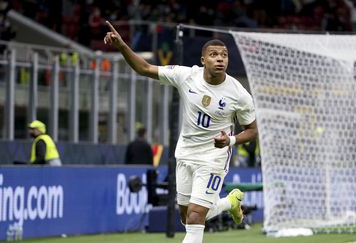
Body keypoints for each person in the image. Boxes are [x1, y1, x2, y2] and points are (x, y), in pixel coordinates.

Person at [104, 21, 257, 243]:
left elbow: (252, 131)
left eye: (224, 55)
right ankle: (229, 203)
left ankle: (225, 204)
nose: (220, 58)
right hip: (185, 153)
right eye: (214, 54)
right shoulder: (186, 76)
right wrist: (122, 46)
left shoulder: (239, 94)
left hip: (213, 157)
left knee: (196, 214)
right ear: (203, 60)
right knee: (187, 216)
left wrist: (230, 140)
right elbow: (145, 68)